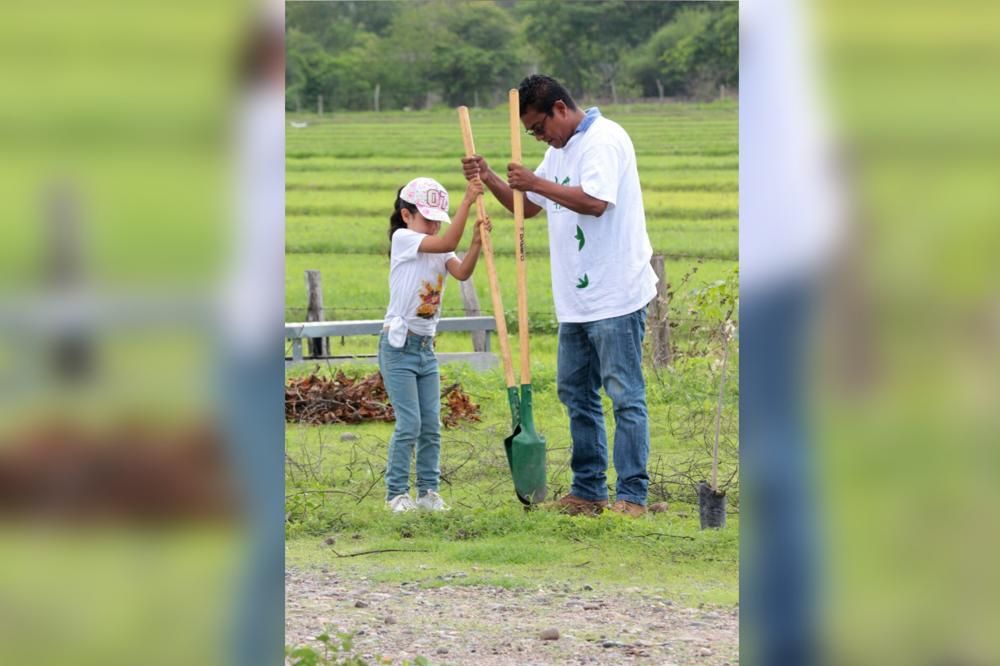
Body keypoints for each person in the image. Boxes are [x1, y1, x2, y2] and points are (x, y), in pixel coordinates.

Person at [462, 74, 658, 517]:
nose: (538, 137)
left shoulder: (604, 140)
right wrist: (489, 176)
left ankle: (632, 496)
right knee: (576, 394)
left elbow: (595, 202)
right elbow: (529, 207)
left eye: (538, 127)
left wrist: (534, 181)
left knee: (624, 395)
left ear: (560, 109)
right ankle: (588, 490)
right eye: (531, 132)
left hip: (616, 294)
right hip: (576, 300)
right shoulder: (558, 150)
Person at [380, 176, 488, 512]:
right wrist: (467, 200)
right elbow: (445, 242)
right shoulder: (404, 239)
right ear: (406, 215)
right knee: (409, 424)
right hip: (398, 347)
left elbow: (462, 272)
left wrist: (476, 243)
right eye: (428, 220)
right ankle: (396, 495)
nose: (434, 227)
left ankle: (428, 494)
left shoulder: (441, 247)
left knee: (431, 425)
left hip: (426, 349)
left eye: (437, 221)